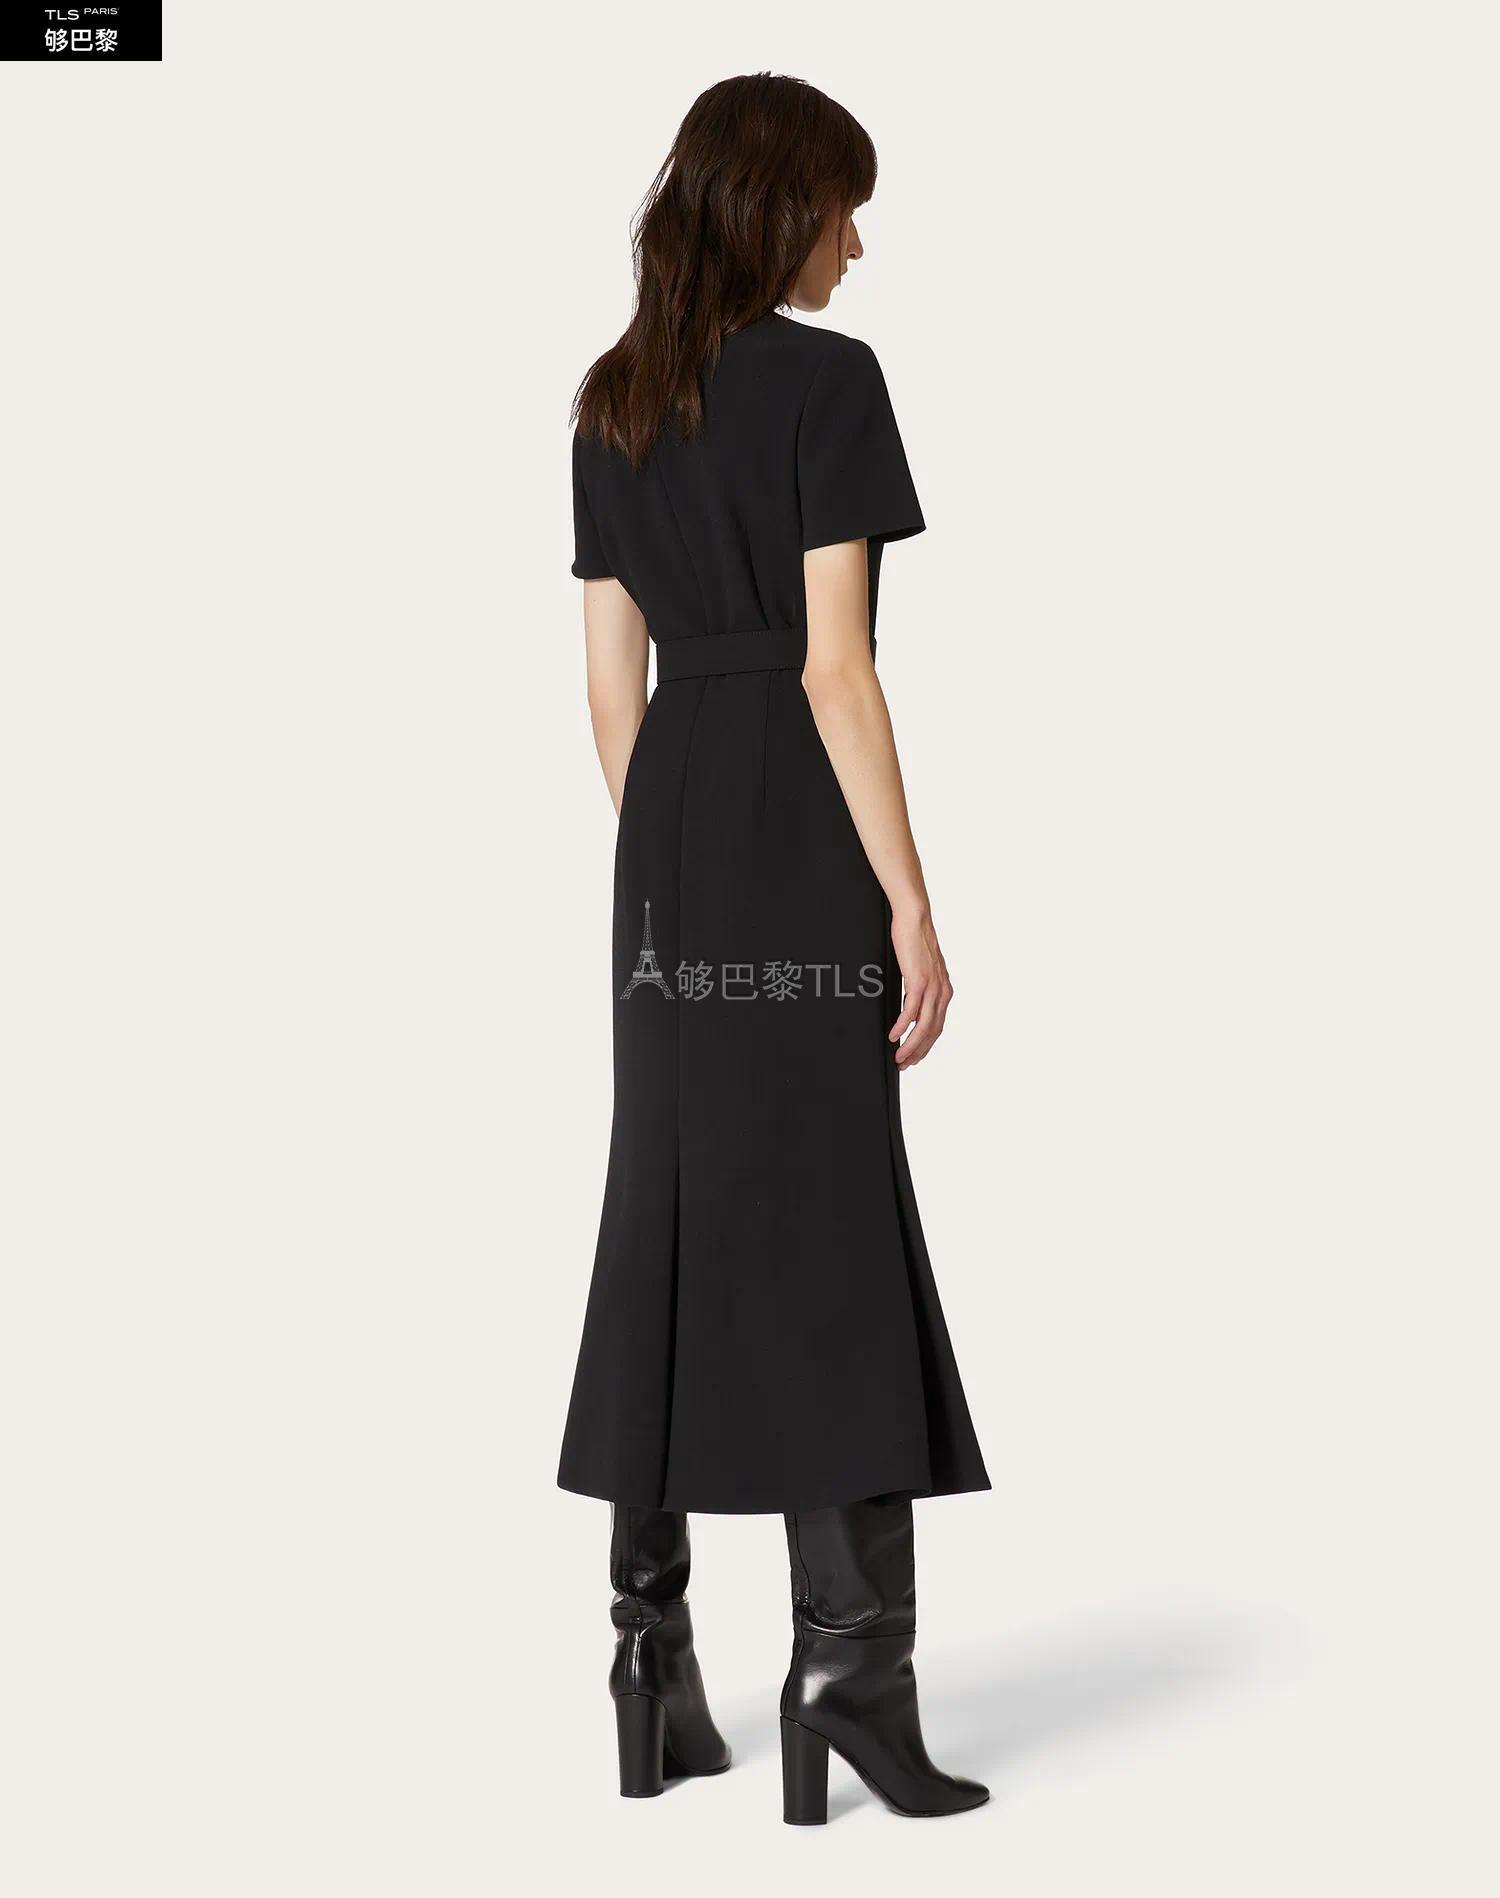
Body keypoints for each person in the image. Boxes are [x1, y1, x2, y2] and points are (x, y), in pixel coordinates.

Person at [560, 72, 990, 1824]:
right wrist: (909, 900)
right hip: (799, 832)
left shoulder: (615, 399)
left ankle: (646, 1657)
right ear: (779, 207)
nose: (856, 243)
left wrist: (677, 865)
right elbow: (835, 666)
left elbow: (610, 687)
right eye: (842, 207)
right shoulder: (829, 382)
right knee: (827, 1228)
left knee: (665, 1212)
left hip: (666, 847)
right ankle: (849, 1673)